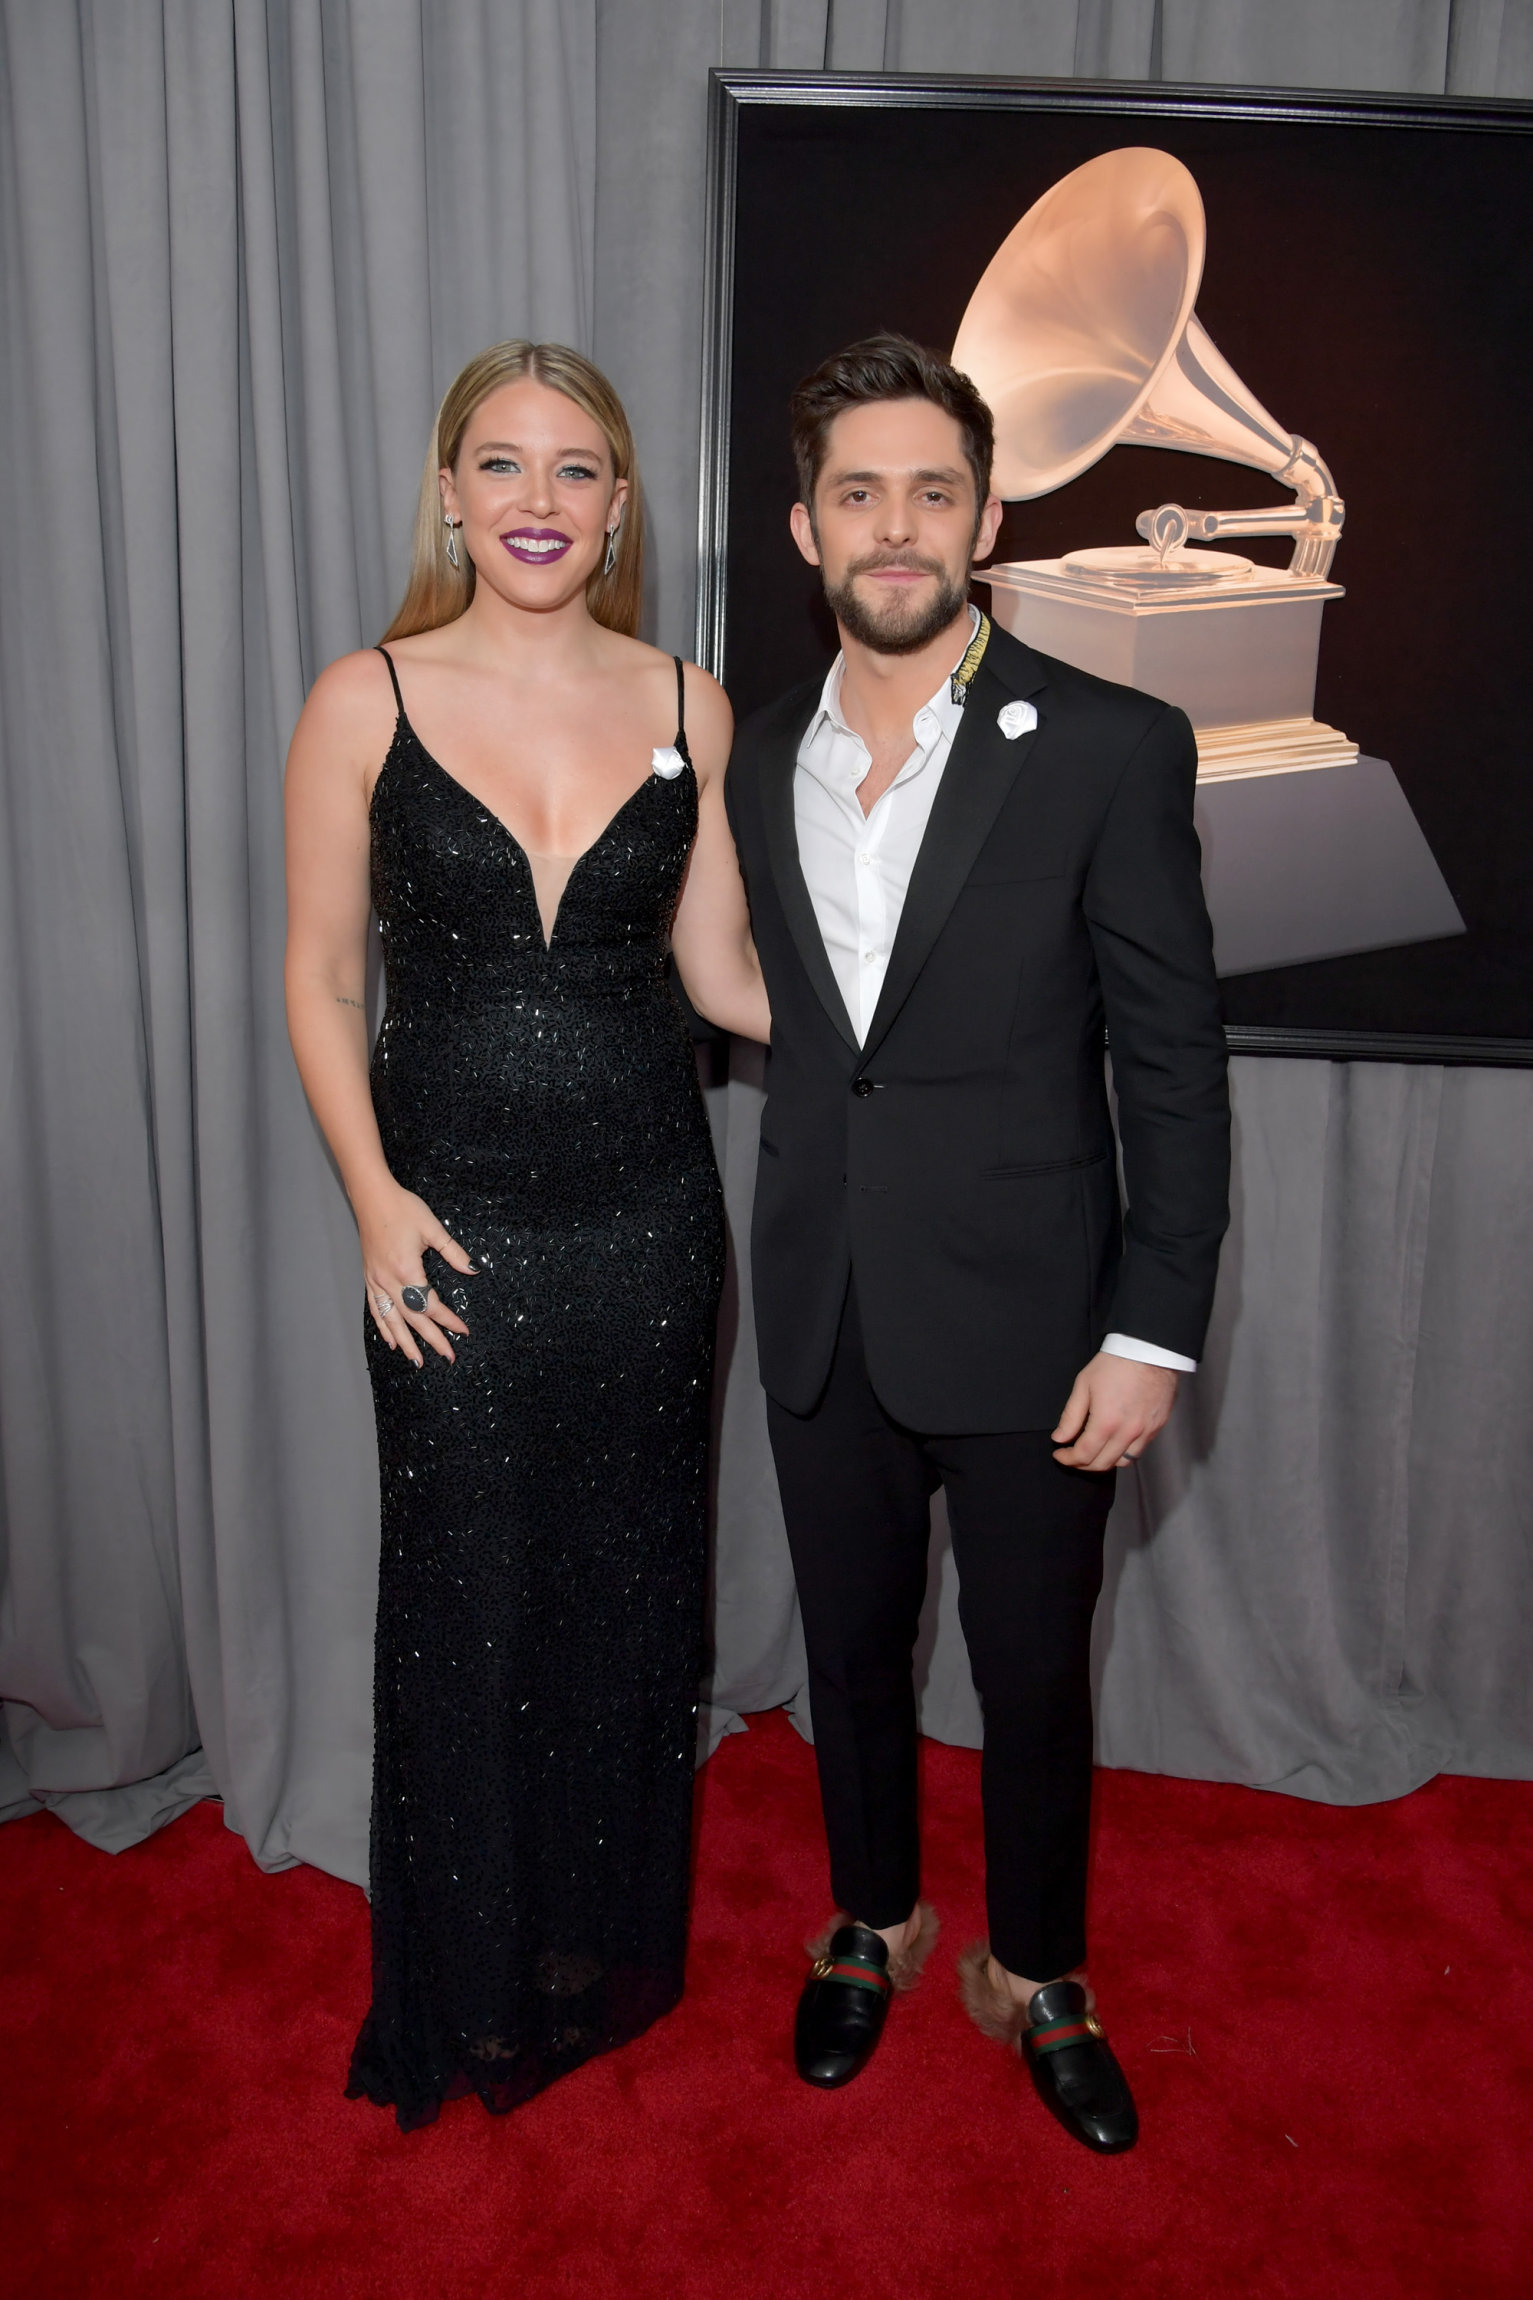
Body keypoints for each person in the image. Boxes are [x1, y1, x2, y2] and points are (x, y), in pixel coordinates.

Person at [724, 334, 1230, 2154]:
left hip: (1039, 1324)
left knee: (1031, 1669)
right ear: (803, 526)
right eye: (856, 492)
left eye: (931, 490)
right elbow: (776, 1013)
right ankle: (872, 1919)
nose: (894, 526)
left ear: (987, 520)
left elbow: (1171, 1063)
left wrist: (1151, 1330)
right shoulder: (751, 749)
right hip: (819, 1306)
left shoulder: (1107, 743)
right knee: (848, 1655)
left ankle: (1038, 1967)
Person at [284, 340, 768, 2130]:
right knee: (465, 1610)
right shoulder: (365, 697)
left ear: (622, 506)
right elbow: (324, 977)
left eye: (576, 470)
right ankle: (466, 1979)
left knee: (626, 1596)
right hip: (452, 1235)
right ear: (449, 491)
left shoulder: (690, 704)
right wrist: (375, 1202)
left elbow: (718, 976)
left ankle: (586, 1952)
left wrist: (925, 1005)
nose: (538, 501)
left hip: (651, 1230)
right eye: (503, 465)